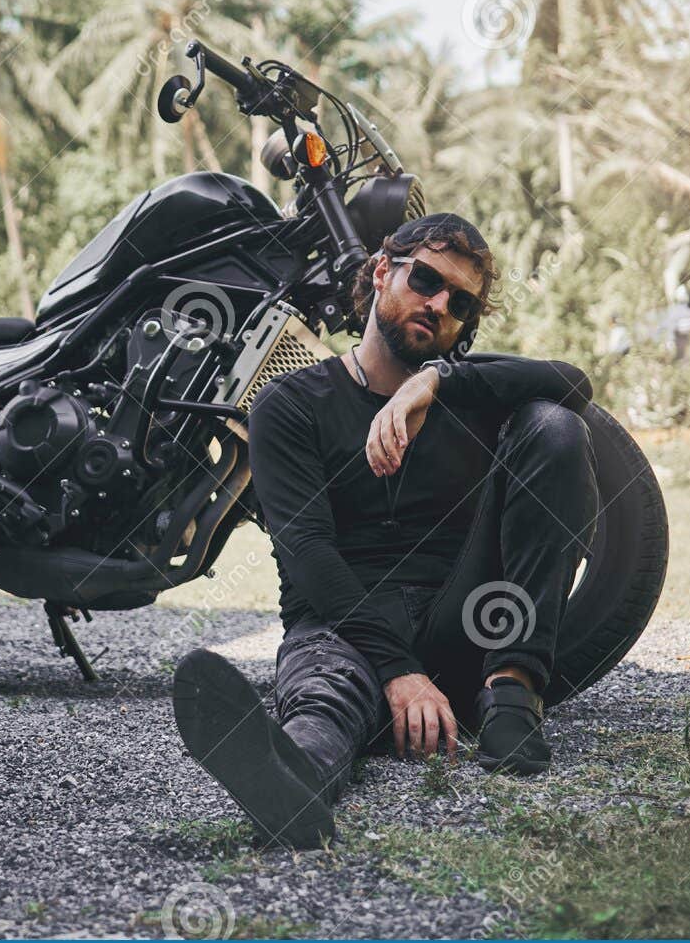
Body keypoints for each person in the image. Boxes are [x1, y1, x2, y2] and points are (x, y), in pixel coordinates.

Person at [171, 213, 599, 849]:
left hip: (464, 626)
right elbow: (308, 551)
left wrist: (437, 381)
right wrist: (399, 670)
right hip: (342, 623)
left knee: (558, 428)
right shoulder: (289, 404)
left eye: (460, 303)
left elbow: (572, 383)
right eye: (425, 279)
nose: (438, 305)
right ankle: (293, 780)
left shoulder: (466, 392)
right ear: (380, 272)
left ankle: (515, 693)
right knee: (326, 697)